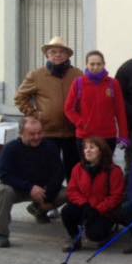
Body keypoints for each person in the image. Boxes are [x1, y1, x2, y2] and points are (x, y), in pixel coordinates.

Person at [14, 35, 82, 177]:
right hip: (48, 132)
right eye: (53, 52)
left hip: (72, 131)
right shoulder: (36, 75)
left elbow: (85, 99)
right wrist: (35, 115)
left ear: (67, 55)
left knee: (74, 170)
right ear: (47, 55)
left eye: (61, 52)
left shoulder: (77, 74)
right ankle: (49, 199)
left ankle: (74, 198)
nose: (57, 55)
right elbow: (20, 98)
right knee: (49, 170)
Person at [0, 117, 66, 247]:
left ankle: (39, 210)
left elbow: (58, 172)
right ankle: (1, 234)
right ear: (21, 133)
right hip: (18, 189)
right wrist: (30, 187)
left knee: (69, 192)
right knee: (4, 191)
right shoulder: (10, 149)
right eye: (32, 134)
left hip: (43, 189)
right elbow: (5, 175)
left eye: (39, 133)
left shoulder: (50, 147)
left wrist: (49, 192)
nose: (37, 137)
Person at [60, 137, 125, 252]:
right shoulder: (78, 168)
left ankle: (107, 231)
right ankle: (74, 237)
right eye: (85, 148)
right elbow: (72, 190)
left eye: (92, 147)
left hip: (103, 211)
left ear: (101, 151)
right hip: (85, 206)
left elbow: (116, 196)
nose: (87, 150)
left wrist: (98, 209)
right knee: (66, 211)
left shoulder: (114, 170)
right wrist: (84, 204)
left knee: (95, 235)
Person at [63, 50, 130, 151]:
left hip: (108, 135)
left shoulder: (113, 83)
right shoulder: (78, 83)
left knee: (106, 165)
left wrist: (123, 135)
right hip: (85, 136)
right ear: (86, 65)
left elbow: (120, 111)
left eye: (99, 64)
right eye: (92, 64)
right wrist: (81, 123)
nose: (95, 67)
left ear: (104, 64)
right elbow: (68, 109)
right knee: (88, 166)